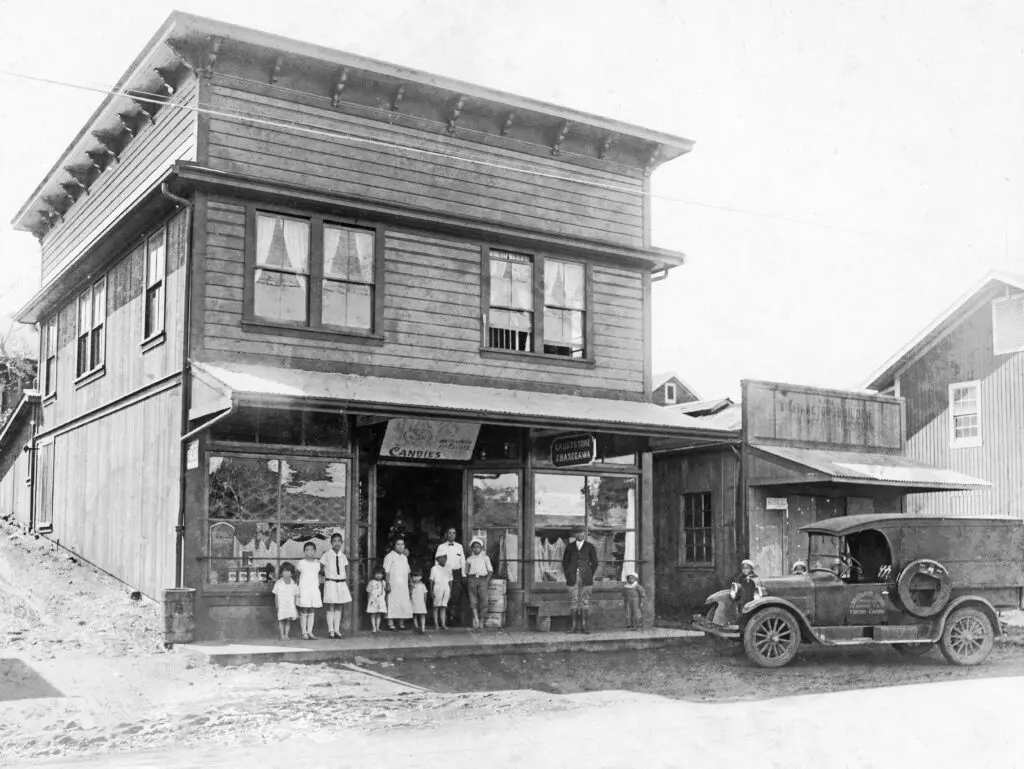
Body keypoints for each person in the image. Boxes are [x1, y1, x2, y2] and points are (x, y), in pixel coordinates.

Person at [562, 525, 599, 634]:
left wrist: (589, 573)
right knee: (573, 601)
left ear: (585, 533)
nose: (579, 534)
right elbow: (565, 562)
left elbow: (595, 563)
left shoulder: (590, 546)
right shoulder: (569, 546)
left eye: (581, 532)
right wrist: (568, 574)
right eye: (577, 533)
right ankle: (573, 627)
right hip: (572, 577)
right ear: (574, 534)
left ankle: (584, 626)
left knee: (584, 602)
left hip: (586, 578)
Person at [320, 533, 352, 639]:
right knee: (331, 606)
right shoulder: (326, 555)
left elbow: (345, 568)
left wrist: (346, 580)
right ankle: (331, 630)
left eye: (339, 541)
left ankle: (337, 630)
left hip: (341, 583)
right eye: (334, 541)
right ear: (331, 543)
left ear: (342, 543)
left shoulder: (343, 556)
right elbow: (320, 568)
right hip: (331, 583)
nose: (337, 543)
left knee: (339, 606)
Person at [435, 528, 466, 626]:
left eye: (454, 533)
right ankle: (444, 619)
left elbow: (463, 561)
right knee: (444, 594)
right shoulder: (441, 547)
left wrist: (463, 574)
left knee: (456, 595)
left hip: (456, 573)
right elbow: (437, 561)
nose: (452, 535)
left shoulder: (459, 547)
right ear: (446, 535)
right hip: (444, 572)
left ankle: (454, 618)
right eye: (449, 533)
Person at [295, 542, 323, 640]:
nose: (309, 551)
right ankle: (304, 632)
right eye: (307, 549)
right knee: (304, 609)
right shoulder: (301, 563)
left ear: (315, 551)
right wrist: (298, 588)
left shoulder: (317, 563)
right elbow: (297, 576)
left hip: (314, 589)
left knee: (312, 610)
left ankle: (310, 632)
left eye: (311, 549)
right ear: (304, 552)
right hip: (304, 588)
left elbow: (321, 574)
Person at [383, 538, 413, 631]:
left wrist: (410, 581)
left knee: (403, 602)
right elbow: (386, 571)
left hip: (403, 584)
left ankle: (401, 623)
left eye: (402, 544)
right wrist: (387, 584)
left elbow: (408, 571)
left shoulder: (404, 557)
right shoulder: (389, 556)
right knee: (392, 603)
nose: (400, 546)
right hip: (393, 584)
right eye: (398, 544)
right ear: (394, 546)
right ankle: (390, 623)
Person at [464, 537, 493, 630]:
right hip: (472, 580)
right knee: (473, 600)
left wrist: (486, 581)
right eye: (474, 547)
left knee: (484, 601)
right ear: (472, 548)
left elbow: (490, 571)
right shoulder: (469, 559)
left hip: (482, 580)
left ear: (481, 548)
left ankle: (481, 621)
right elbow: (466, 571)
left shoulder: (485, 558)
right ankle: (476, 619)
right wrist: (470, 578)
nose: (476, 549)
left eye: (478, 547)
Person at [272, 562, 299, 640]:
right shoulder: (278, 583)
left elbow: (295, 595)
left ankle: (286, 635)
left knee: (288, 621)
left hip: (290, 605)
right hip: (281, 605)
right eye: (284, 571)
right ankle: (282, 635)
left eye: (288, 571)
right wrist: (277, 605)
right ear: (281, 572)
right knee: (281, 620)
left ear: (292, 573)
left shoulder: (294, 583)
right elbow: (276, 595)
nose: (286, 573)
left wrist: (295, 606)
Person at [430, 553, 452, 630]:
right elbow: (431, 580)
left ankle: (443, 624)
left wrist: (450, 592)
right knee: (436, 607)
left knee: (443, 607)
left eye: (445, 558)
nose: (443, 560)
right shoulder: (434, 568)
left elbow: (450, 581)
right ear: (437, 559)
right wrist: (431, 591)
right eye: (441, 558)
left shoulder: (448, 568)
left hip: (446, 588)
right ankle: (436, 624)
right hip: (437, 588)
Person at [366, 566, 387, 633]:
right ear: (374, 574)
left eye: (380, 574)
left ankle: (378, 627)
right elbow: (368, 591)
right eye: (377, 574)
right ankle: (373, 627)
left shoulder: (383, 582)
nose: (379, 575)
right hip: (373, 601)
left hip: (380, 601)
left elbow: (385, 591)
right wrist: (369, 600)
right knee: (373, 614)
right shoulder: (371, 582)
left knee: (379, 614)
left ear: (383, 575)